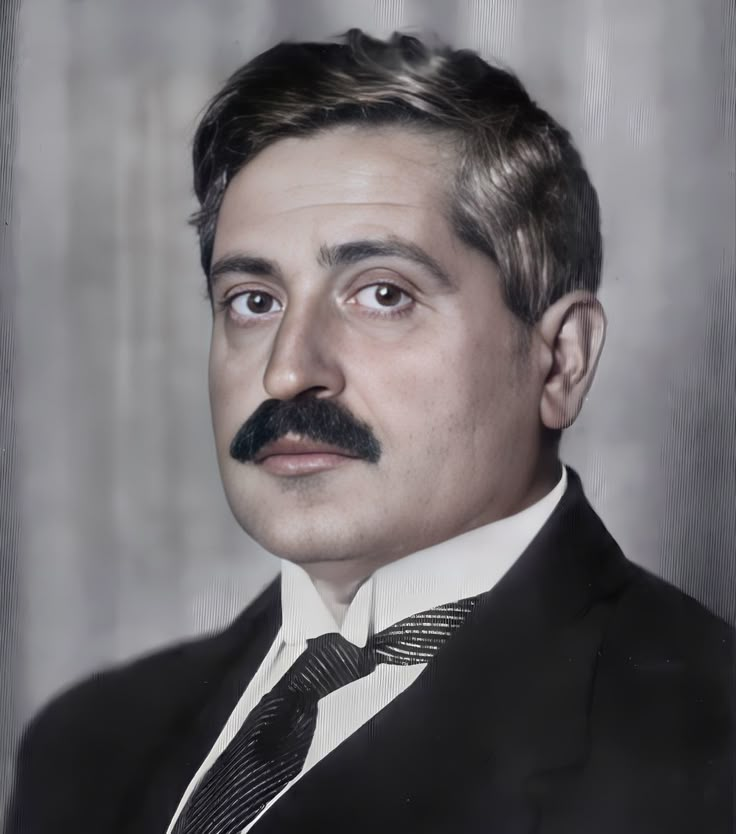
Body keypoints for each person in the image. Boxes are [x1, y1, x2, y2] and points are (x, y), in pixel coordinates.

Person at [5, 29, 733, 834]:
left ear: (560, 360)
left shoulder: (707, 747)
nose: (287, 372)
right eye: (253, 301)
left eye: (383, 294)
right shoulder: (86, 744)